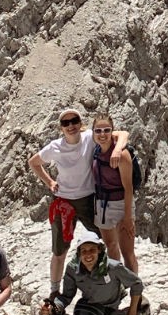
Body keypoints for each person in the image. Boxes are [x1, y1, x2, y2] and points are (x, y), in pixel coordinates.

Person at [28, 107, 128, 294]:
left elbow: (122, 133)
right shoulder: (55, 147)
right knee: (59, 251)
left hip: (89, 200)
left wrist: (118, 149)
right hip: (64, 202)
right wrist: (49, 181)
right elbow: (34, 162)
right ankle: (55, 291)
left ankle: (115, 283)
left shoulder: (91, 137)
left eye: (74, 121)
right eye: (65, 123)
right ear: (61, 128)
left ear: (80, 124)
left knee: (109, 242)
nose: (70, 126)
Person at [90, 113, 138, 272]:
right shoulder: (96, 149)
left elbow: (128, 188)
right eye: (98, 131)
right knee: (111, 247)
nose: (102, 134)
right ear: (93, 133)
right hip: (101, 205)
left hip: (120, 204)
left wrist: (128, 217)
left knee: (127, 252)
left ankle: (135, 292)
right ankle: (116, 287)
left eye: (106, 130)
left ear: (112, 131)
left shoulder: (122, 155)